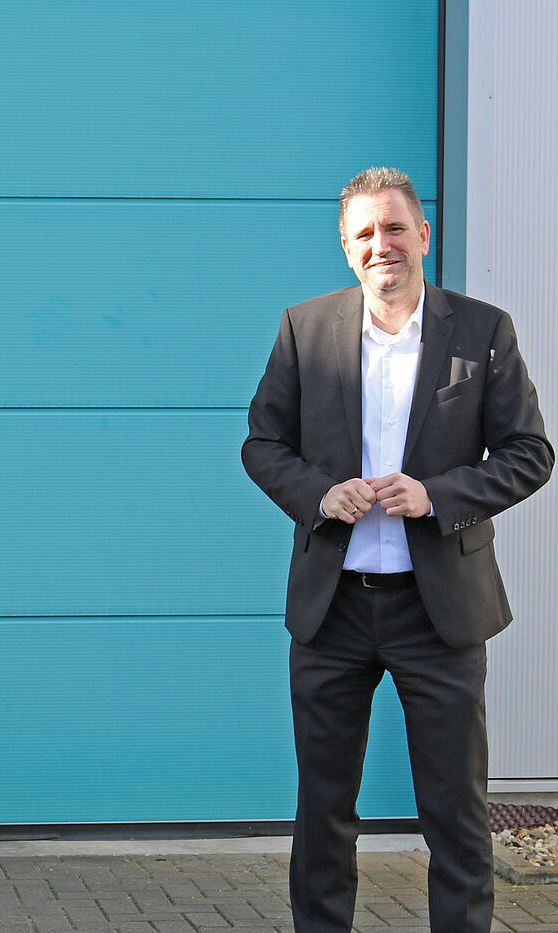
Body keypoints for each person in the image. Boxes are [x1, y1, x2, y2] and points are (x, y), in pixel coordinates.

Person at [242, 166, 552, 932]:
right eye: (364, 235)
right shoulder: (303, 329)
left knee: (455, 814)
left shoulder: (482, 331)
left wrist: (438, 495)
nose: (381, 245)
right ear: (347, 251)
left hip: (438, 610)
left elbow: (529, 452)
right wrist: (318, 492)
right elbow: (262, 444)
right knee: (322, 812)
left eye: (393, 228)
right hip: (333, 608)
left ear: (423, 233)